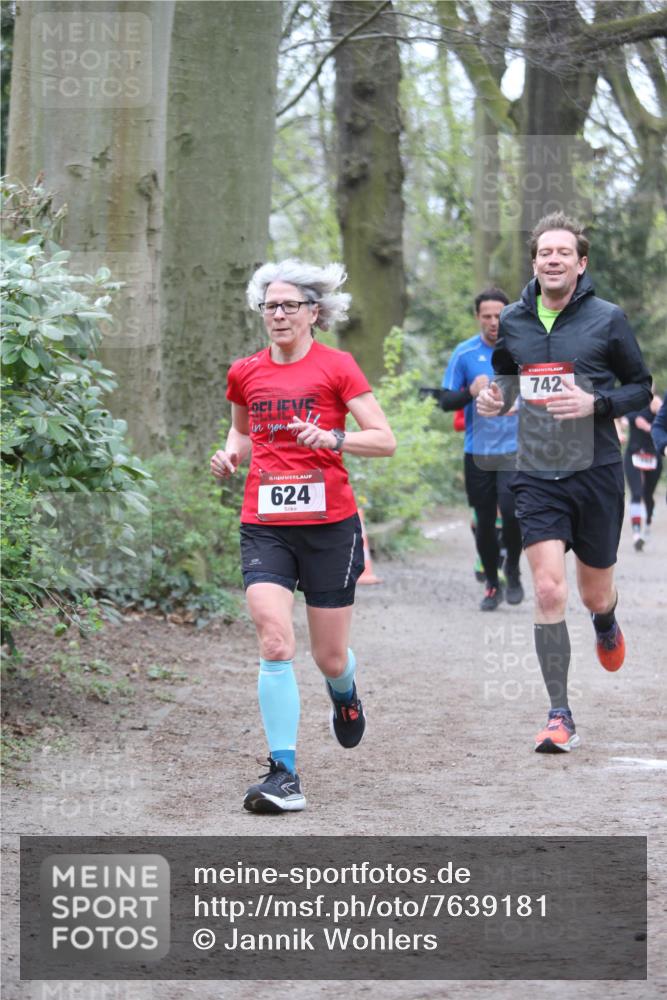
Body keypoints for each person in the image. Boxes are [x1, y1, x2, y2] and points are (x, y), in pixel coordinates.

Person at [210, 260, 396, 813]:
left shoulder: (337, 367)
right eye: (270, 306)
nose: (278, 314)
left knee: (329, 657)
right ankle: (284, 773)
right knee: (274, 640)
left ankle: (345, 693)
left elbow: (383, 439)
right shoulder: (245, 372)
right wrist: (230, 456)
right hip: (264, 524)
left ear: (314, 312)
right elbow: (242, 433)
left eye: (290, 305)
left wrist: (334, 437)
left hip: (330, 528)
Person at [477, 212, 652, 754]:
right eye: (544, 253)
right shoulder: (514, 321)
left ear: (581, 263)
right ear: (534, 263)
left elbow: (640, 388)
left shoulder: (608, 319)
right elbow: (508, 378)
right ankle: (560, 715)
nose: (553, 260)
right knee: (549, 589)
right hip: (536, 471)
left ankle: (606, 619)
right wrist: (494, 398)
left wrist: (595, 403)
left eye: (563, 253)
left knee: (593, 591)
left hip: (595, 470)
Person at [439, 288, 524, 610]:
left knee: (512, 512)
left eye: (498, 316)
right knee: (484, 520)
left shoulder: (522, 350)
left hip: (516, 449)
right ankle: (492, 582)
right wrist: (469, 392)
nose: (493, 322)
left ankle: (512, 566)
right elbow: (445, 400)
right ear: (477, 317)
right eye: (486, 316)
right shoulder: (465, 353)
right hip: (478, 451)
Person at [623, 390, 663, 549]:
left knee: (648, 495)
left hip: (653, 456)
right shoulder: (632, 401)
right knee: (636, 493)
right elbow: (621, 419)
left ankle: (647, 523)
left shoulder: (656, 403)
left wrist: (649, 426)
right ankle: (636, 533)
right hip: (633, 455)